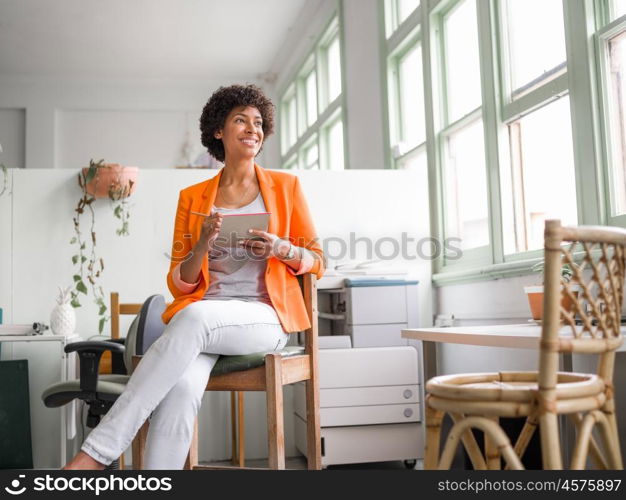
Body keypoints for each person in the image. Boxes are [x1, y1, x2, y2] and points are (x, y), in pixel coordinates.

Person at [64, 84, 325, 469]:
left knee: (193, 317)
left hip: (263, 317)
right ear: (218, 131)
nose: (252, 128)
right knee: (181, 387)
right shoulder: (193, 197)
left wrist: (279, 248)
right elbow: (180, 283)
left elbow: (318, 260)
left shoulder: (286, 188)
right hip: (204, 320)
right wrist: (202, 243)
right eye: (240, 120)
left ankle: (95, 454)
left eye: (258, 122)